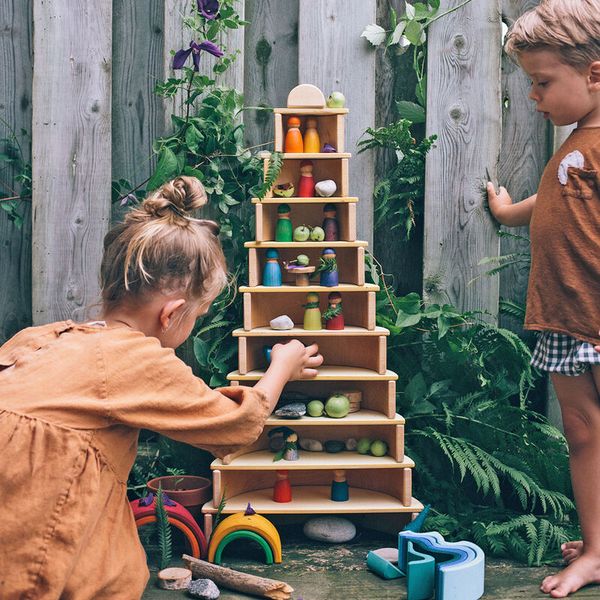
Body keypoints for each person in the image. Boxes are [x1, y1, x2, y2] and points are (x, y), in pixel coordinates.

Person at [0, 176, 322, 599]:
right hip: (24, 526)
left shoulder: (44, 337)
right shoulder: (136, 358)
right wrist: (283, 367)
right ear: (171, 315)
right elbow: (235, 426)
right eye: (199, 315)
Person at [486, 1, 600, 597]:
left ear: (595, 74)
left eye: (542, 83)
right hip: (563, 316)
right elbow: (559, 195)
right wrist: (508, 212)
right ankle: (599, 542)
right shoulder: (578, 141)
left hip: (595, 315)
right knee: (582, 431)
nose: (534, 97)